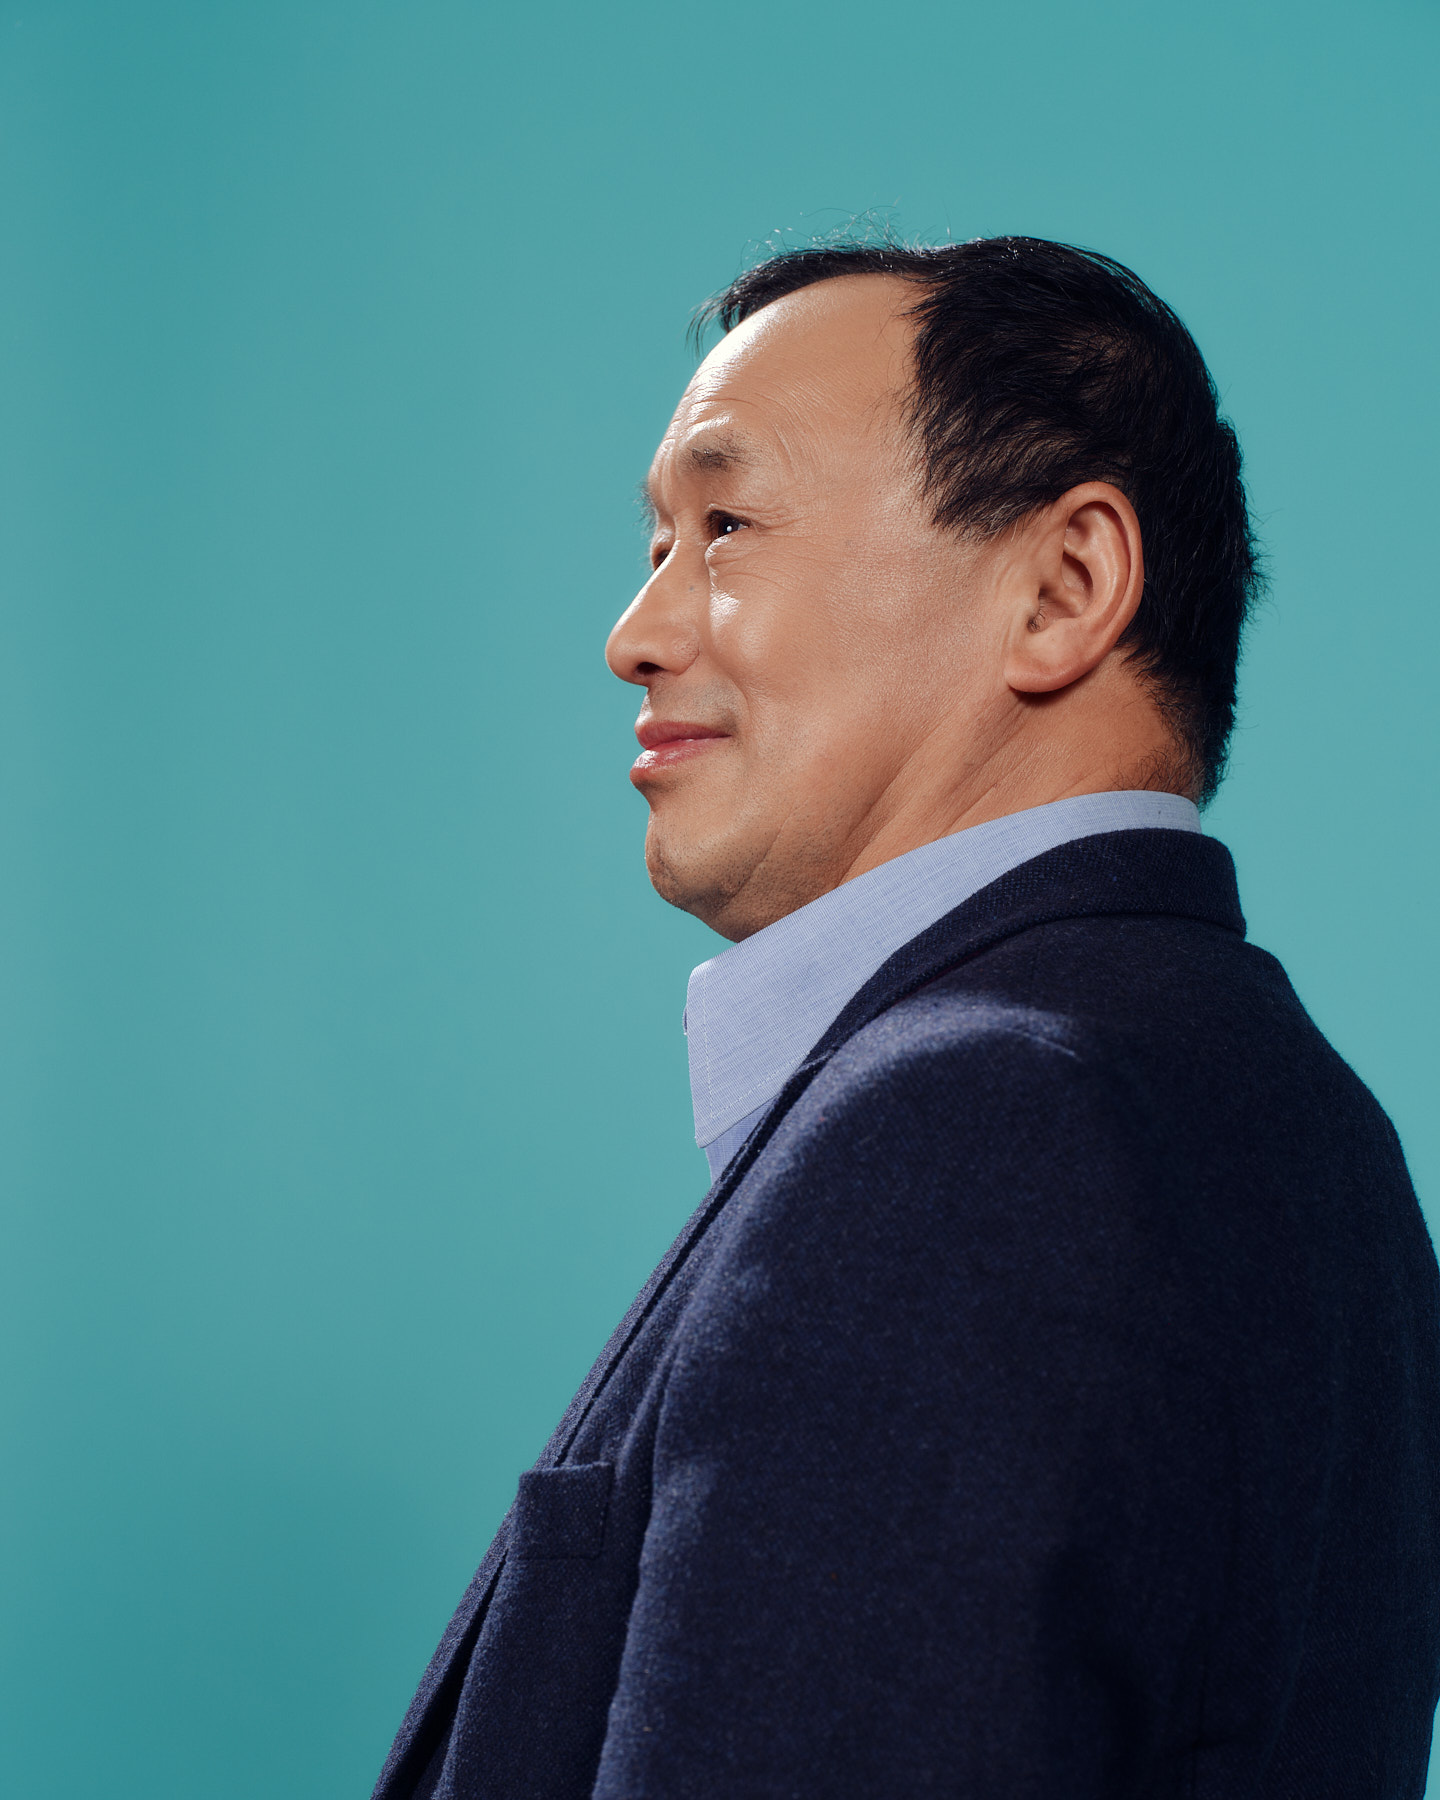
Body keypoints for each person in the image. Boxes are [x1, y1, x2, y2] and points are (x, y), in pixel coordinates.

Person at [372, 237, 1440, 1799]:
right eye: (659, 540)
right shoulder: (1316, 1130)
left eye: (727, 525)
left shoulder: (971, 1129)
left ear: (1062, 589)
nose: (635, 633)